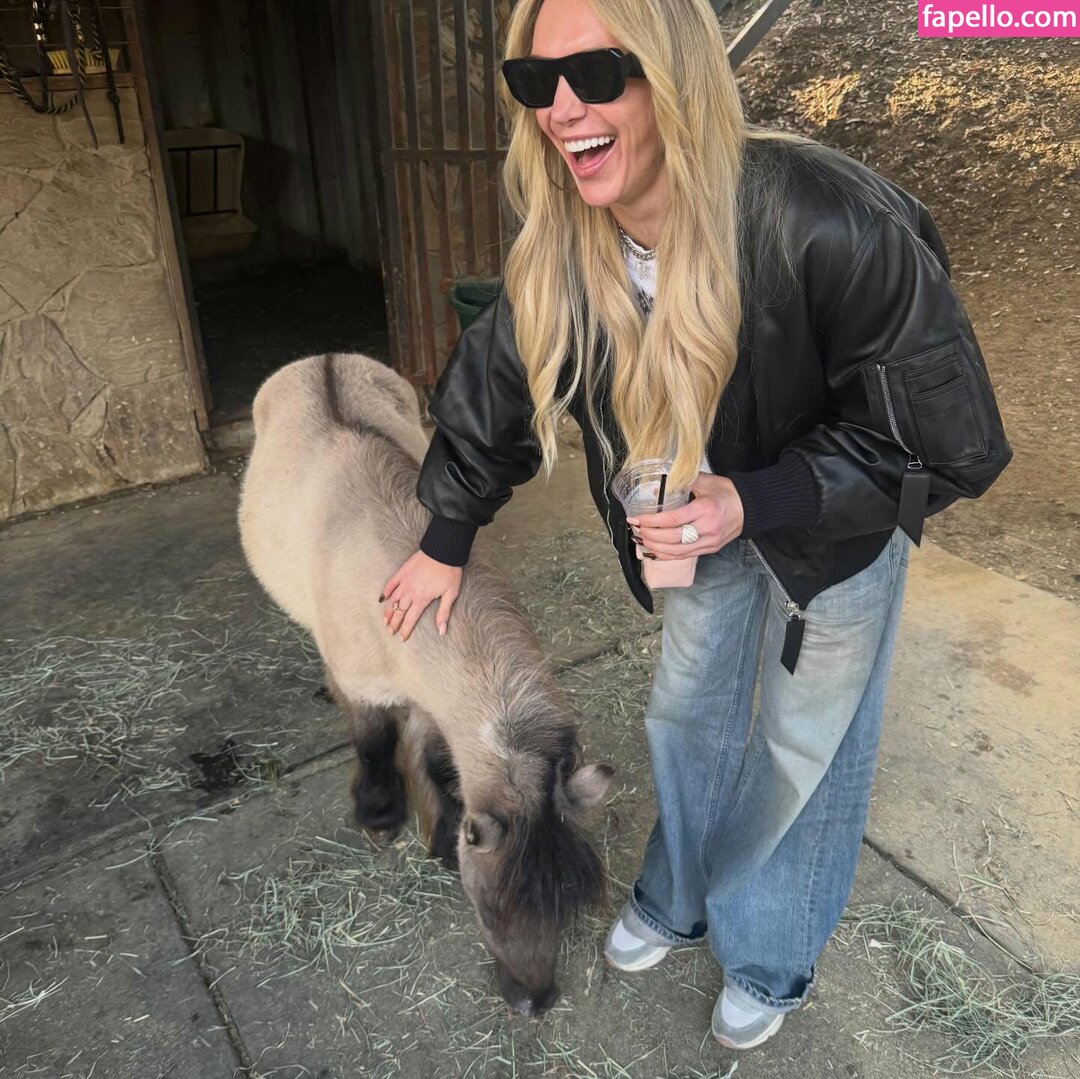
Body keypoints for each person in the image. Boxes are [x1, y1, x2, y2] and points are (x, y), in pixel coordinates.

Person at [379, 0, 1011, 1052]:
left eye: (596, 73)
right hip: (685, 517)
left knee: (806, 740)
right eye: (536, 83)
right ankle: (677, 893)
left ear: (672, 74)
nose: (561, 108)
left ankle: (769, 947)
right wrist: (445, 539)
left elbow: (946, 444)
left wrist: (756, 499)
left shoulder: (829, 220)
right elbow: (493, 386)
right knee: (686, 712)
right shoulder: (568, 243)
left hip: (835, 520)